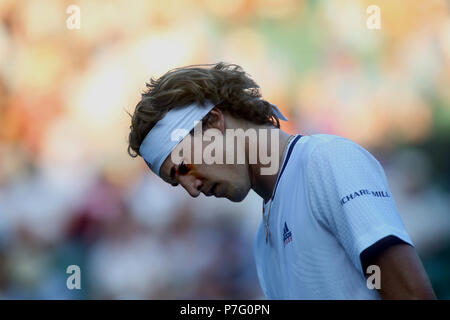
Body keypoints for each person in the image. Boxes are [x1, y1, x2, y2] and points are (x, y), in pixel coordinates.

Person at [127, 62, 436, 299]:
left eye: (183, 168)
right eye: (175, 182)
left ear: (213, 122)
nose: (191, 189)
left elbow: (412, 294)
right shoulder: (263, 237)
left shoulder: (326, 162)